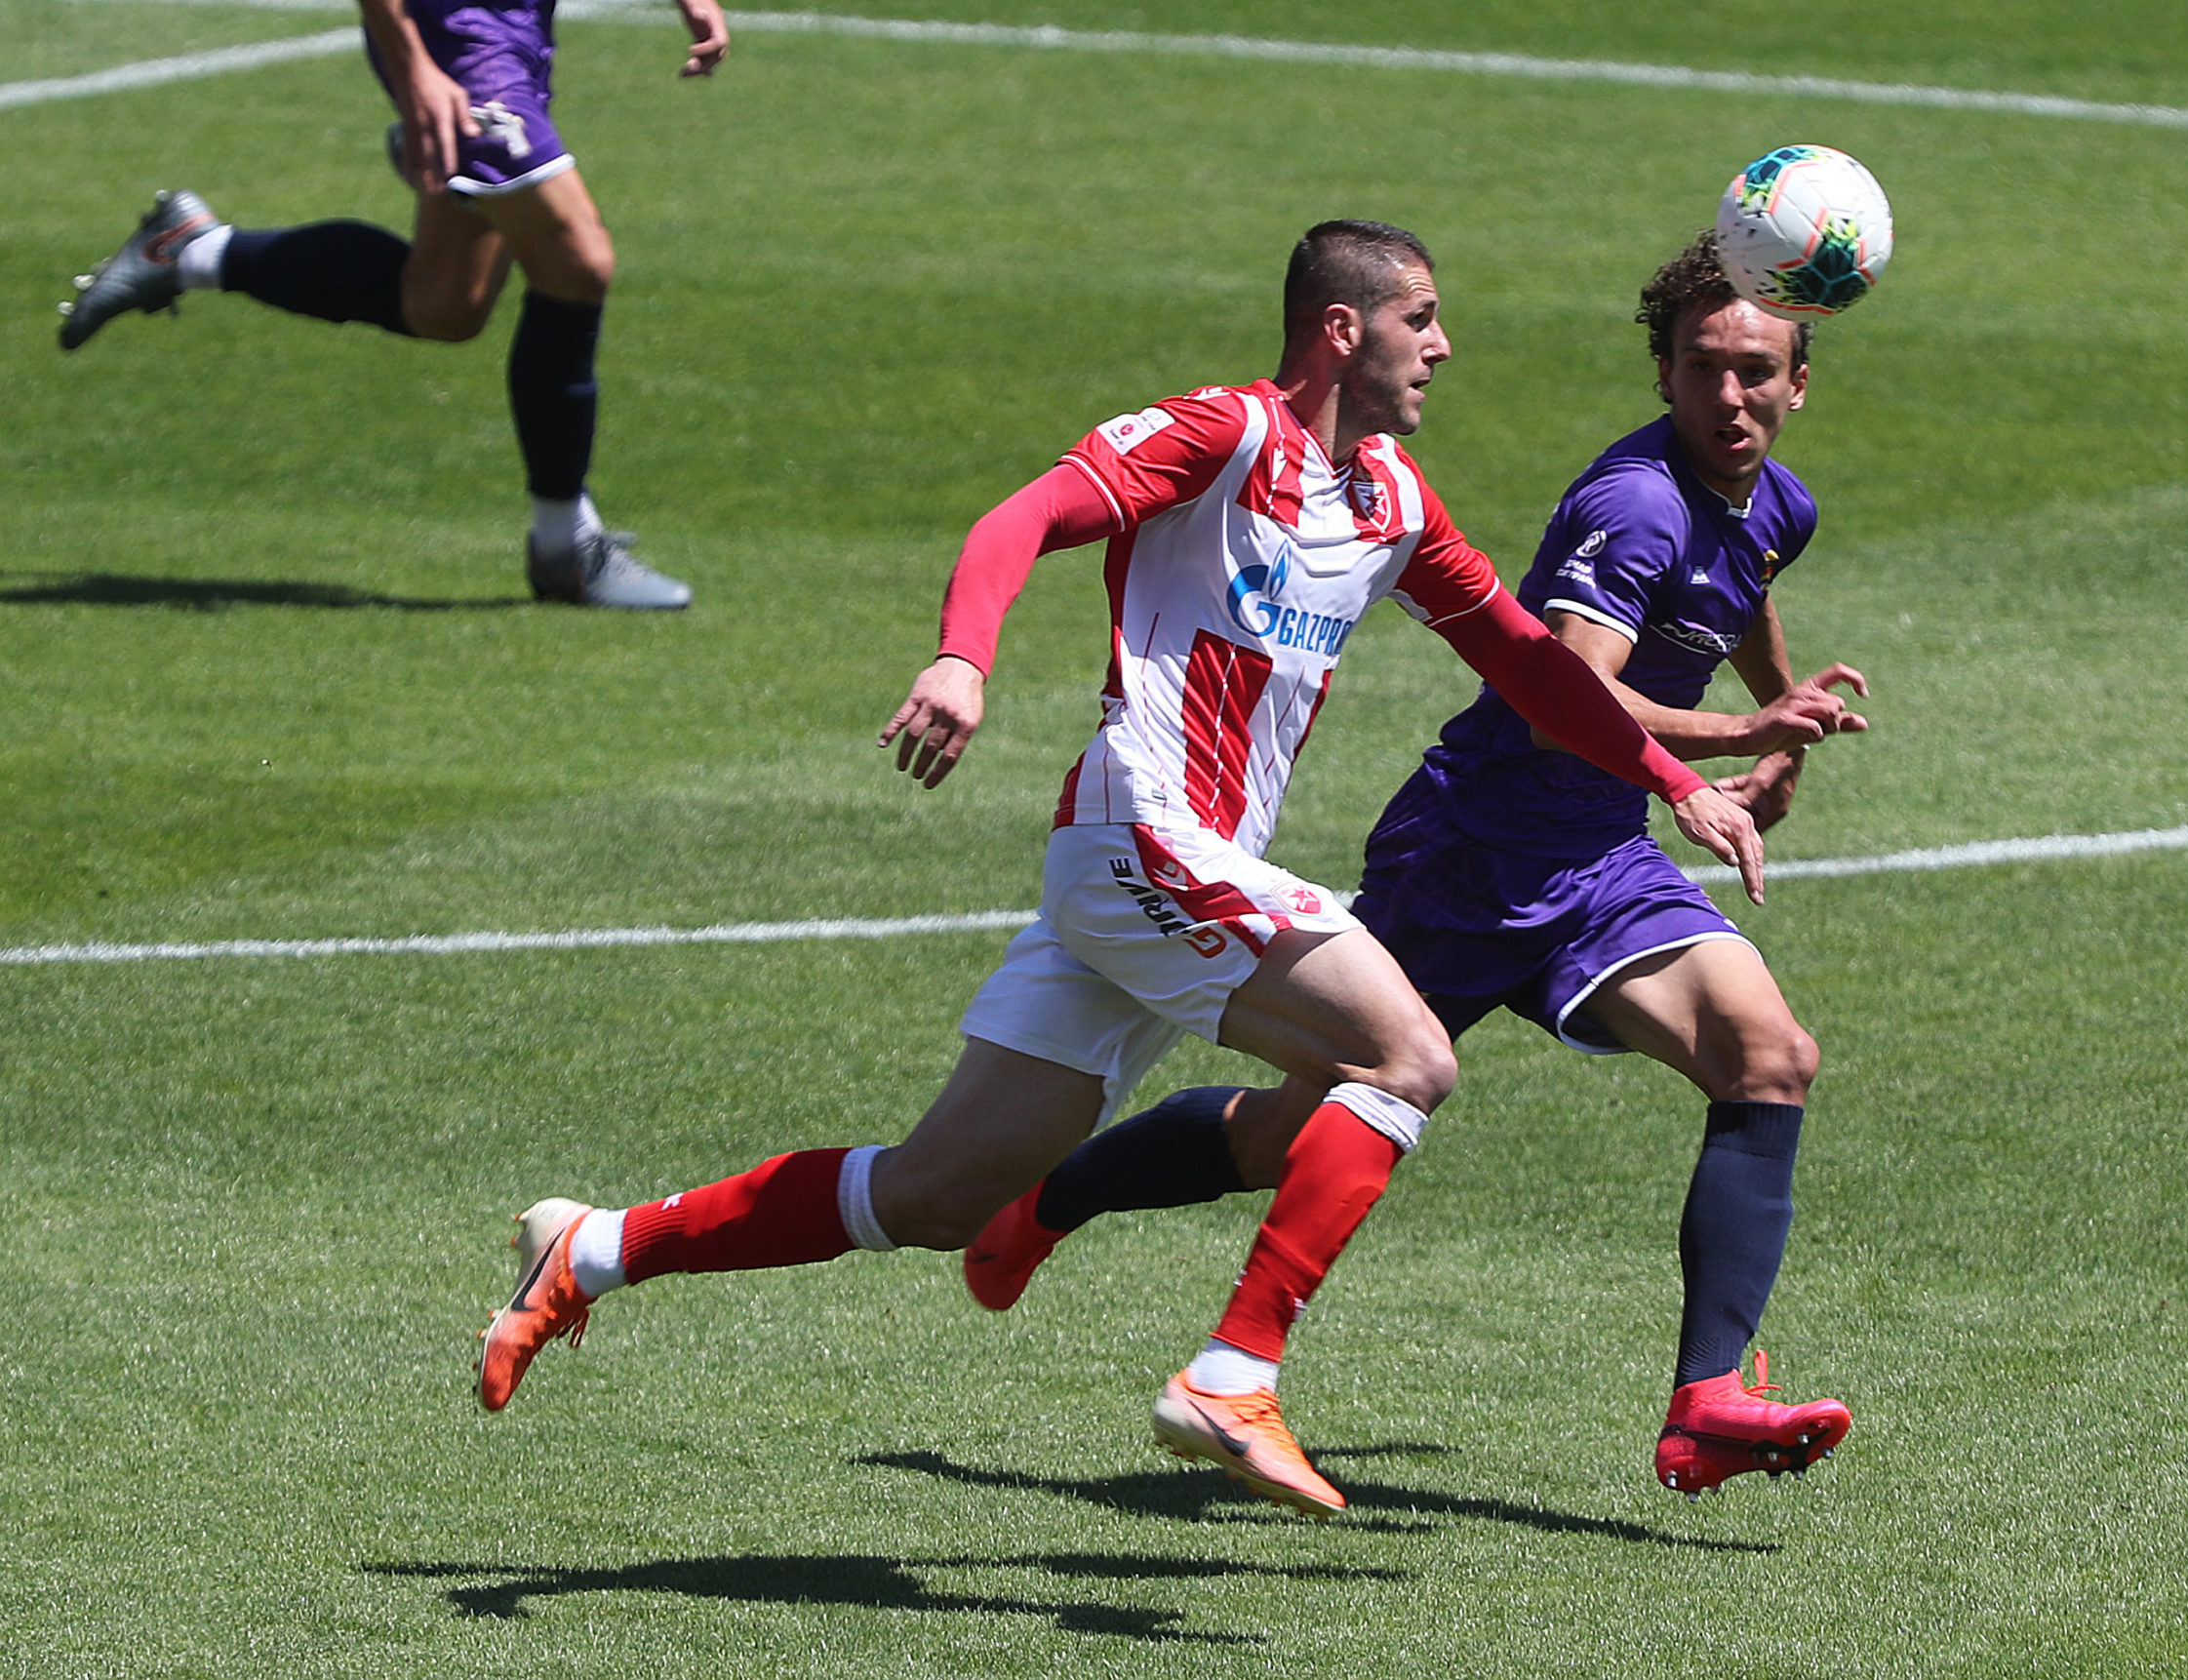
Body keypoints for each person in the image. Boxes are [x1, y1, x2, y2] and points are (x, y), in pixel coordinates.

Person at [471, 220, 1767, 1519]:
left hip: (1171, 872)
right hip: (1143, 831)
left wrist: (1676, 780)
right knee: (1406, 1057)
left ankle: (593, 1246)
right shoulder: (1223, 435)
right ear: (1341, 329)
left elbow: (1533, 666)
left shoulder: (1392, 501)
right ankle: (1233, 1374)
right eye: (1418, 318)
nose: (1442, 346)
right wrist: (962, 656)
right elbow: (1024, 515)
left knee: (932, 1195)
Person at [963, 231, 1862, 1500]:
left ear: (1797, 383)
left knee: (1769, 1057)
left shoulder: (1774, 500)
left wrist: (1783, 710)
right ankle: (1051, 1202)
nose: (1731, 396)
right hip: (1474, 854)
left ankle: (1707, 1401)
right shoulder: (1637, 508)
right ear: (1661, 374)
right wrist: (1729, 742)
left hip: (1601, 860)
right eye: (1703, 369)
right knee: (1294, 1128)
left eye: (1756, 372)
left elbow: (1742, 576)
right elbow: (1565, 695)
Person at [55, 0, 728, 610]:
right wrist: (416, 69)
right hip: (456, 34)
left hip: (515, 23)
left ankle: (191, 251)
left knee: (445, 303)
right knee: (577, 262)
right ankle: (565, 548)